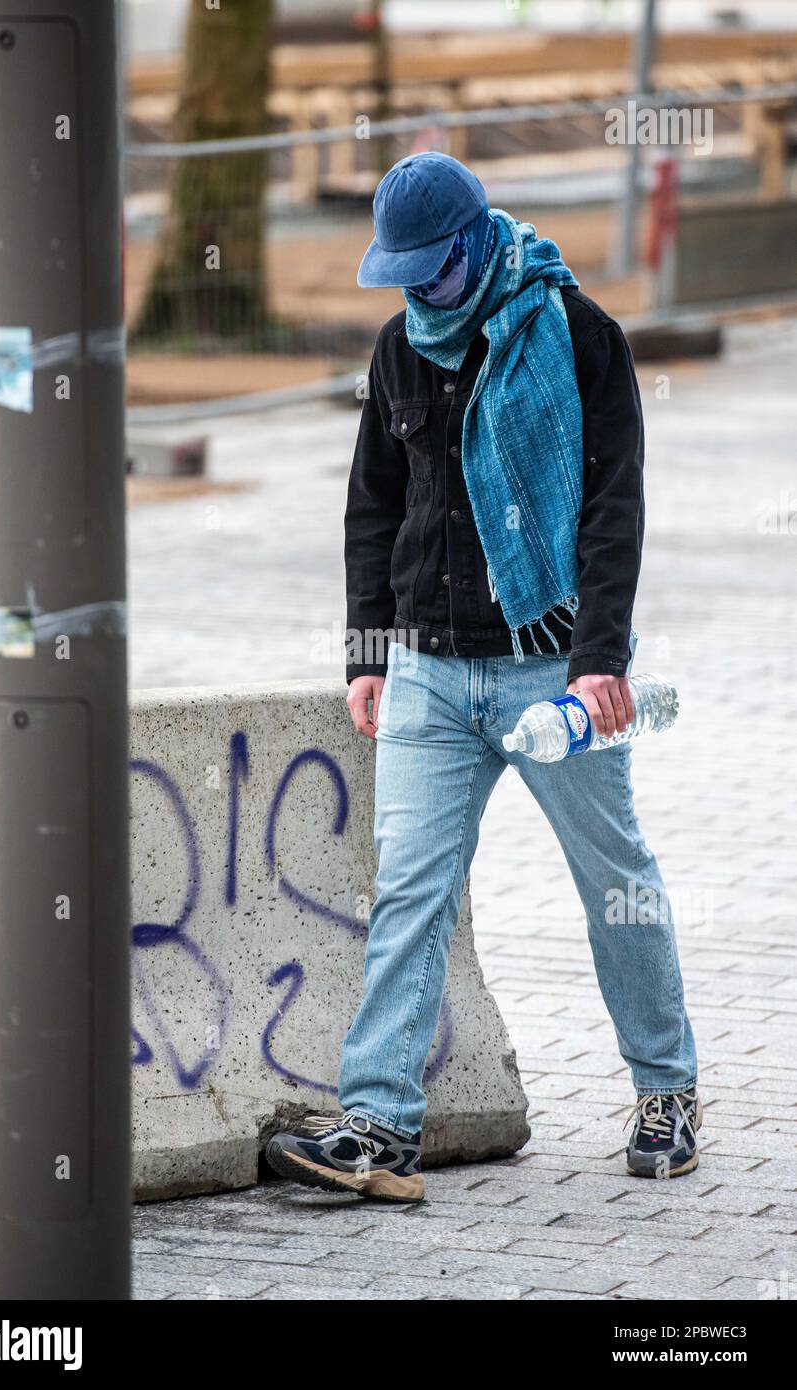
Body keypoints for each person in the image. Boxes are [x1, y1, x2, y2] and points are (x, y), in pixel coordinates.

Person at [266, 152, 700, 1203]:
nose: (417, 290)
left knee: (616, 883)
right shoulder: (397, 352)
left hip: (551, 666)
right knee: (409, 891)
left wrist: (599, 659)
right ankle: (377, 1129)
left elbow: (611, 509)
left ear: (472, 243)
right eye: (400, 272)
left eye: (430, 267)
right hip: (424, 667)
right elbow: (372, 508)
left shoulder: (577, 336)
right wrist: (368, 654)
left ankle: (665, 1088)